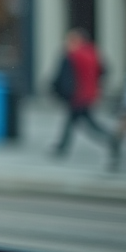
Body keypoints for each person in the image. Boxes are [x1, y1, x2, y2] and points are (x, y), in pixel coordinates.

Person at [50, 28, 119, 168]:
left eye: (71, 39)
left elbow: (64, 78)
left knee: (89, 124)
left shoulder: (72, 55)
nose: (67, 42)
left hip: (78, 96)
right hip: (89, 94)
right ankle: (62, 146)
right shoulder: (92, 52)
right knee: (72, 121)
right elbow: (104, 71)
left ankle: (112, 139)